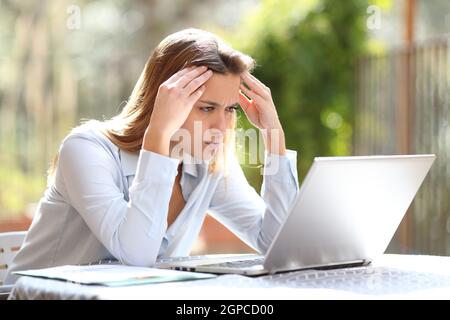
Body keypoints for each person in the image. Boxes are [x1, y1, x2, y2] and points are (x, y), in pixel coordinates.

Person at [4, 28, 299, 284]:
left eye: (230, 109)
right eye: (207, 108)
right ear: (166, 99)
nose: (222, 127)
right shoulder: (85, 149)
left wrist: (274, 137)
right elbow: (137, 254)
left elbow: (278, 245)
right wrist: (158, 136)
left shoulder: (208, 164)